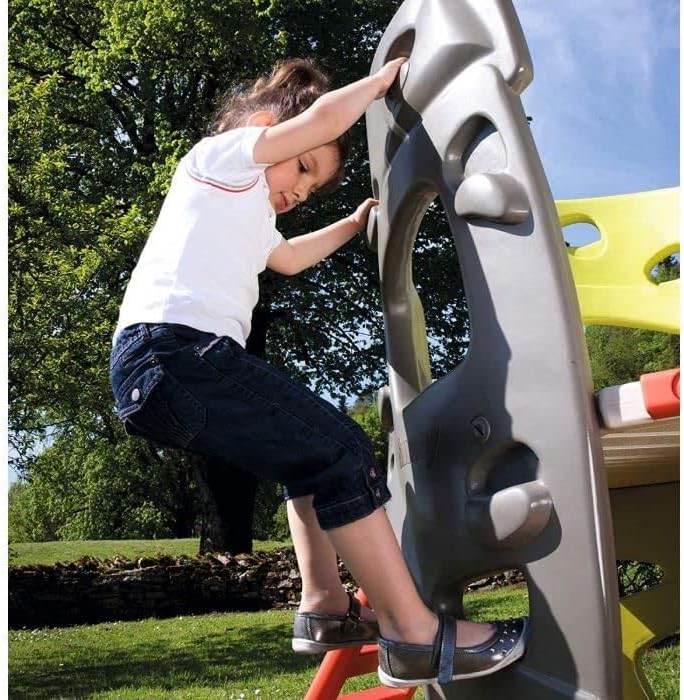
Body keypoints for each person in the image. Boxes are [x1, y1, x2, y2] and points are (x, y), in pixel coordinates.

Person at [109, 57, 528, 688]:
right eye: (303, 165)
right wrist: (382, 82)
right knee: (344, 452)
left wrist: (352, 223)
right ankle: (415, 634)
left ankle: (325, 608)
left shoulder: (252, 216)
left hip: (162, 373)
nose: (297, 191)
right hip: (171, 349)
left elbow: (287, 260)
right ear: (264, 125)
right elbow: (326, 118)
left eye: (307, 192)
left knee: (308, 460)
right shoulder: (220, 158)